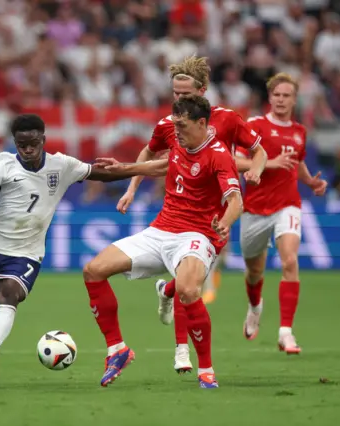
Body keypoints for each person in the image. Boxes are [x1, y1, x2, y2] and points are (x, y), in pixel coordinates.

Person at [0, 114, 167, 383]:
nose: (27, 150)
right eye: (21, 144)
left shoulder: (62, 165)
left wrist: (149, 168)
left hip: (26, 254)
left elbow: (104, 173)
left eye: (32, 143)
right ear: (15, 143)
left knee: (9, 296)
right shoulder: (4, 162)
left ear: (43, 140)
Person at [100, 55, 268, 376]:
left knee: (189, 284)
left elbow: (257, 151)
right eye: (173, 94)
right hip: (183, 213)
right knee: (190, 281)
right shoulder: (168, 123)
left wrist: (257, 170)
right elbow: (151, 155)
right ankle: (182, 352)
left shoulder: (228, 120)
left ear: (203, 90)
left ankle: (167, 291)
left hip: (219, 213)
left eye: (184, 93)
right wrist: (131, 188)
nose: (177, 101)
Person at [83, 94, 244, 389]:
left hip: (197, 235)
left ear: (202, 123)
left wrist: (225, 222)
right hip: (161, 230)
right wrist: (123, 169)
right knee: (93, 270)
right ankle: (117, 350)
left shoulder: (219, 154)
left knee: (188, 289)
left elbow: (235, 200)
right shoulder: (180, 143)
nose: (176, 130)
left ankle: (206, 369)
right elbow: (161, 166)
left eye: (182, 125)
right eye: (175, 123)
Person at [237, 73, 327, 354]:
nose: (280, 99)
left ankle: (286, 332)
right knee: (254, 272)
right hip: (254, 209)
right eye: (276, 94)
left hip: (288, 205)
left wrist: (310, 180)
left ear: (294, 99)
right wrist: (270, 163)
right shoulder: (254, 126)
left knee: (290, 261)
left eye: (286, 95)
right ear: (269, 97)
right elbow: (236, 160)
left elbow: (296, 163)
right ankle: (255, 306)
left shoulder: (300, 131)